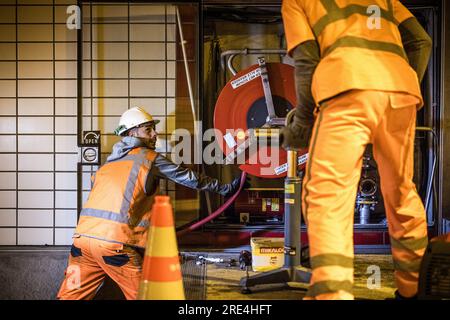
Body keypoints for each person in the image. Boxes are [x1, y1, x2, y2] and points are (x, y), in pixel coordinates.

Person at [280, 0, 432, 300]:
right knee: (401, 193)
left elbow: (307, 61)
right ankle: (413, 290)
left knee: (328, 197)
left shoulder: (296, 2)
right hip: (401, 92)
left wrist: (301, 124)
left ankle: (332, 295)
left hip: (344, 87)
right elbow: (421, 41)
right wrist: (396, 82)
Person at [57, 107, 241, 300]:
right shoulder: (148, 158)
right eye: (148, 129)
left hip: (82, 243)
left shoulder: (107, 165)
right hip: (114, 246)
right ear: (131, 133)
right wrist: (226, 189)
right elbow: (189, 178)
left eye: (153, 128)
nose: (155, 134)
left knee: (71, 296)